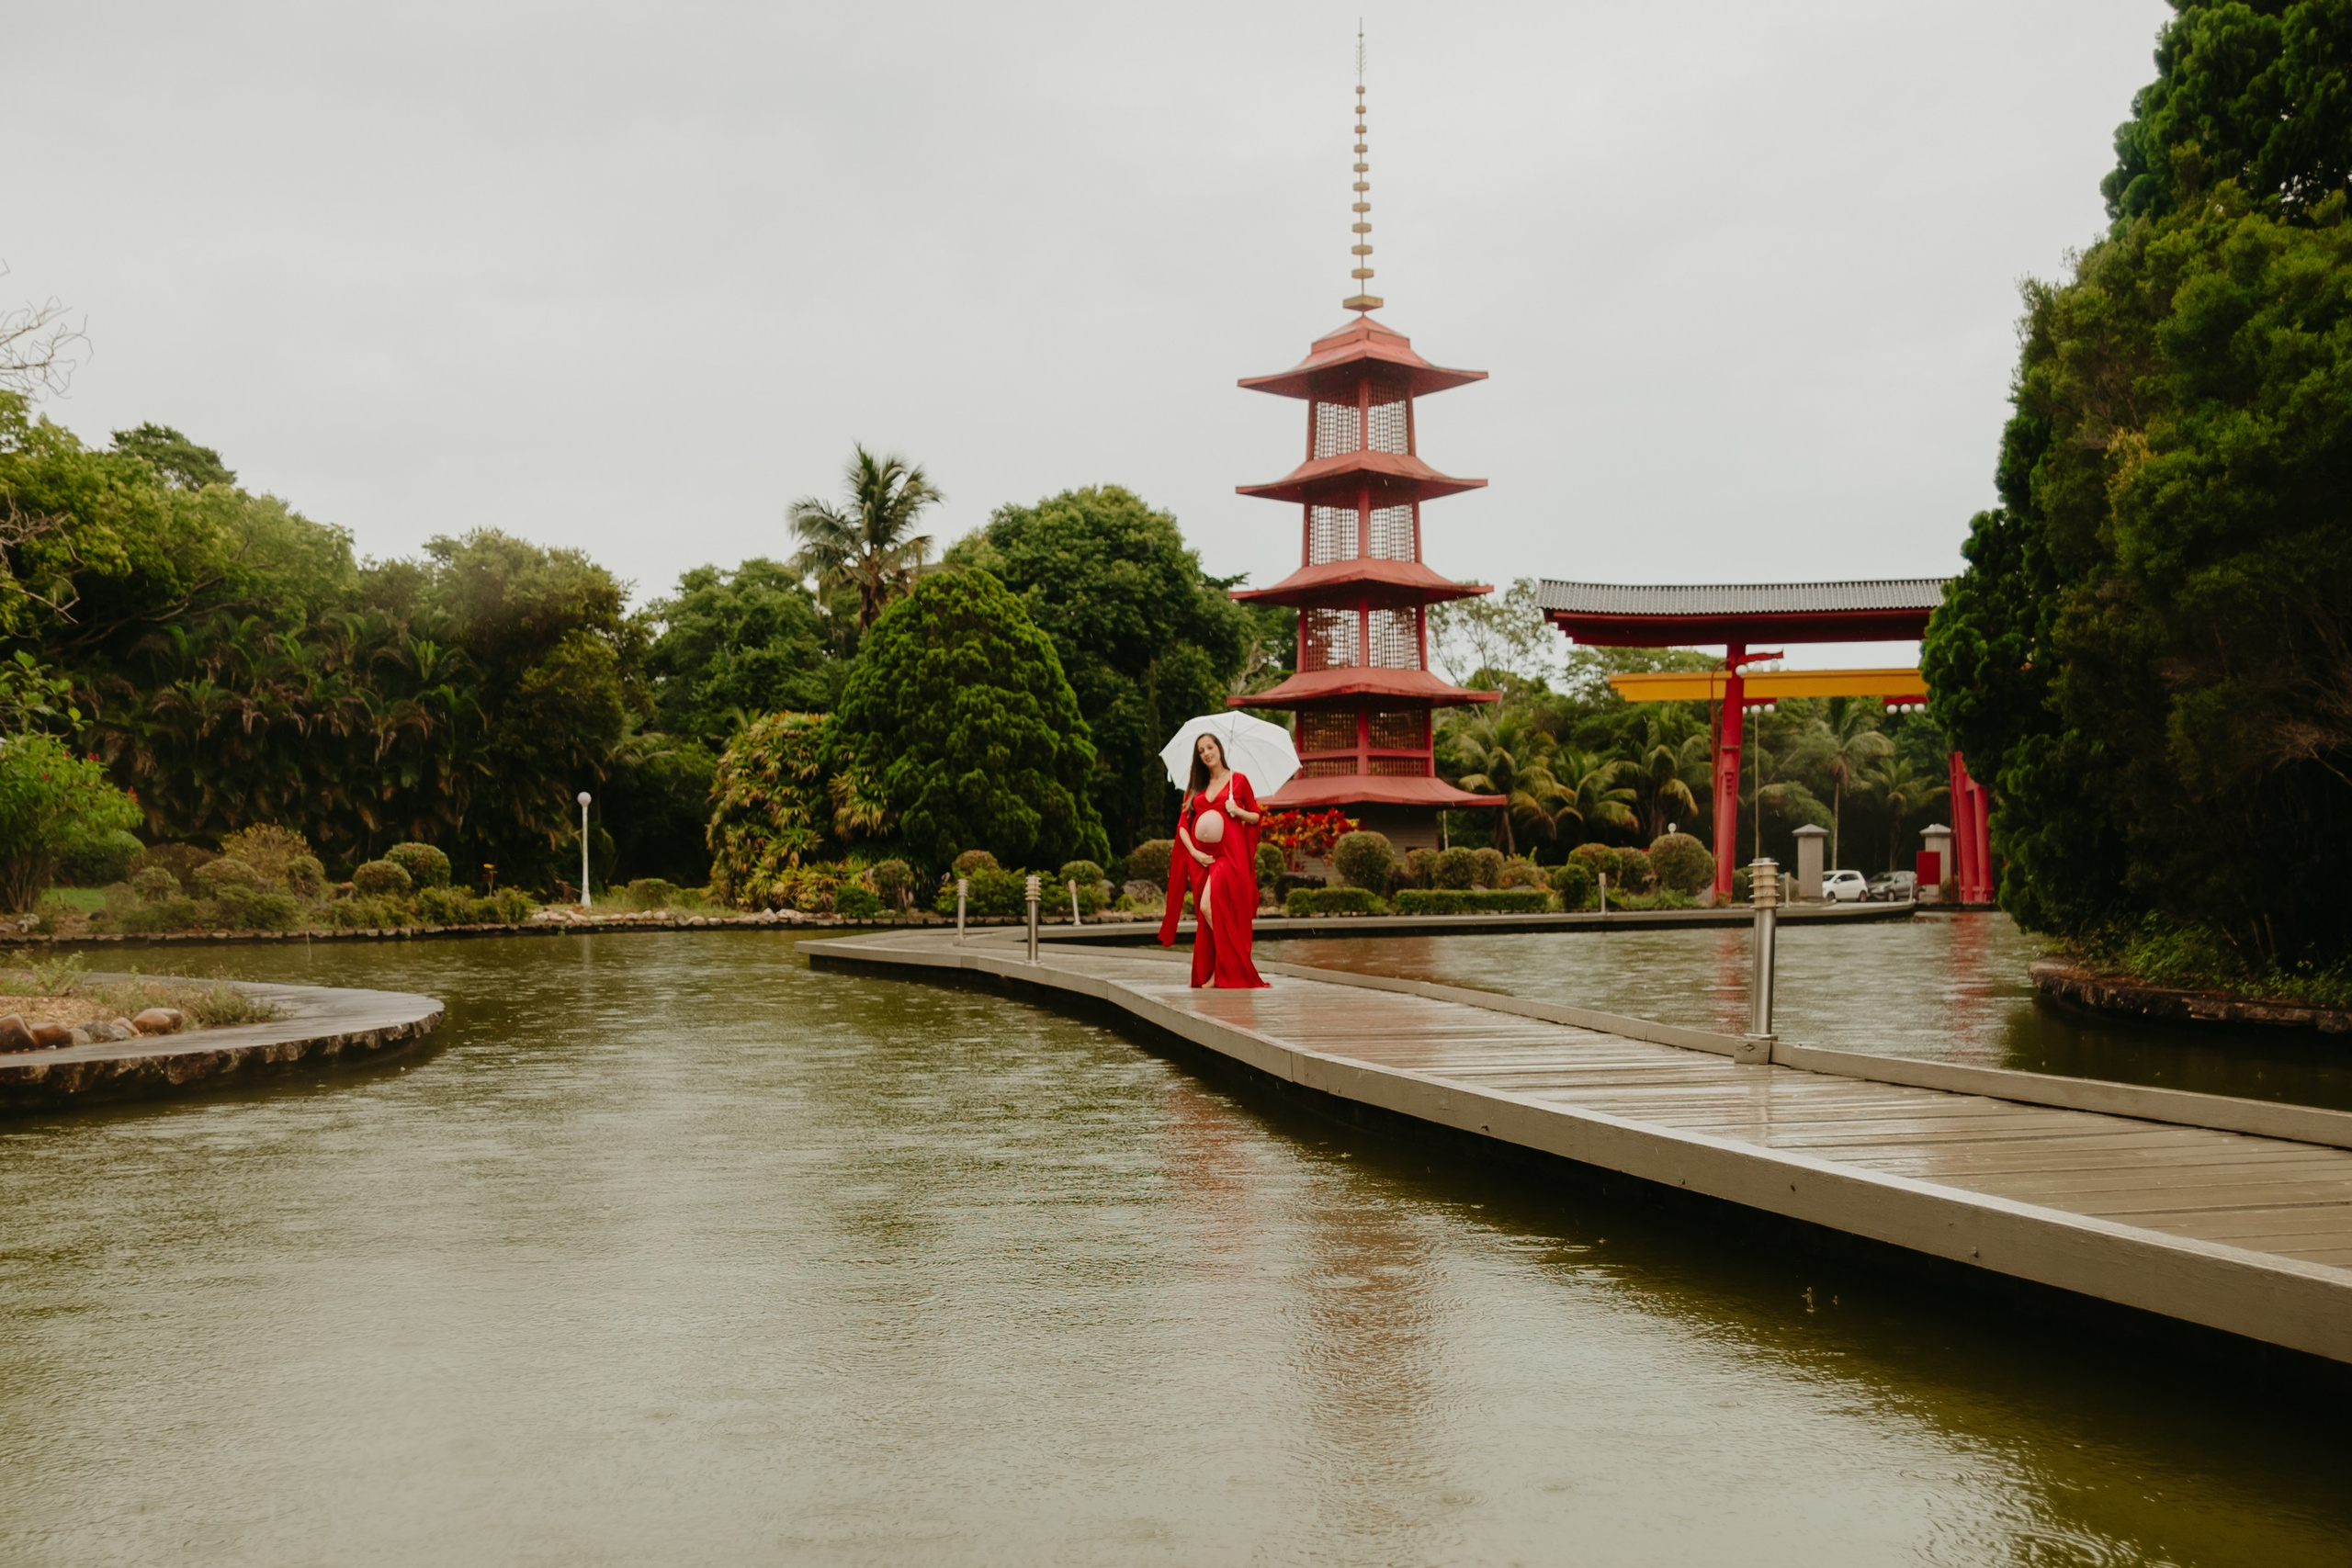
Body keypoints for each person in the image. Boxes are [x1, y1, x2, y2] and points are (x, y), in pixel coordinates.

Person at [1157, 732, 1269, 988]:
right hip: (1202, 859)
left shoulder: (1238, 781)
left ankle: (1233, 965)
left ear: (1219, 748)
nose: (1206, 753)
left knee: (1209, 906)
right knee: (1209, 910)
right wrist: (1193, 853)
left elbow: (1255, 817)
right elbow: (1182, 826)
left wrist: (1237, 811)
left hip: (1230, 855)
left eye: (1210, 747)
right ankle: (1221, 970)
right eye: (1201, 750)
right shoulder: (1196, 787)